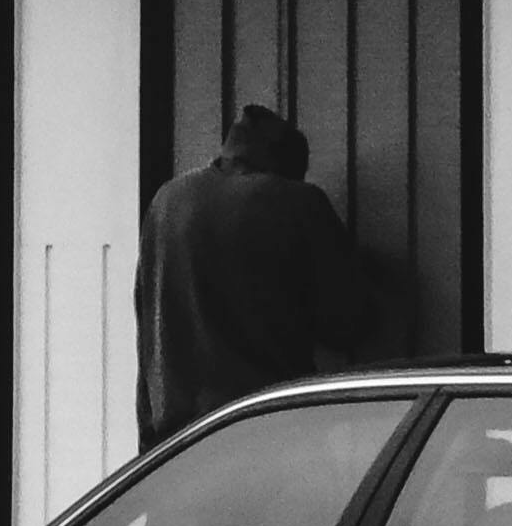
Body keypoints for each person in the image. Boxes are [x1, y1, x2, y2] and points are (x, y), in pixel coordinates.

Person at [136, 98, 363, 436]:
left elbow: (146, 320)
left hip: (179, 437)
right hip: (263, 425)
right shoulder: (298, 203)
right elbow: (346, 322)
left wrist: (148, 436)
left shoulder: (167, 201)